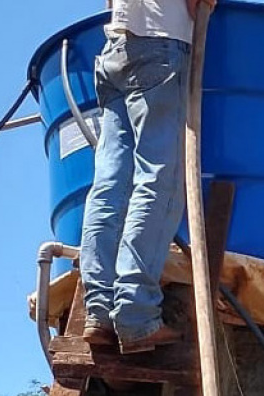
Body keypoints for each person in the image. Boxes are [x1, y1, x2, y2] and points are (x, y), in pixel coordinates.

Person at [80, 0, 214, 354]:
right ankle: (135, 314)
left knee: (110, 183)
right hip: (161, 44)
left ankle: (99, 309)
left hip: (115, 48)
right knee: (159, 179)